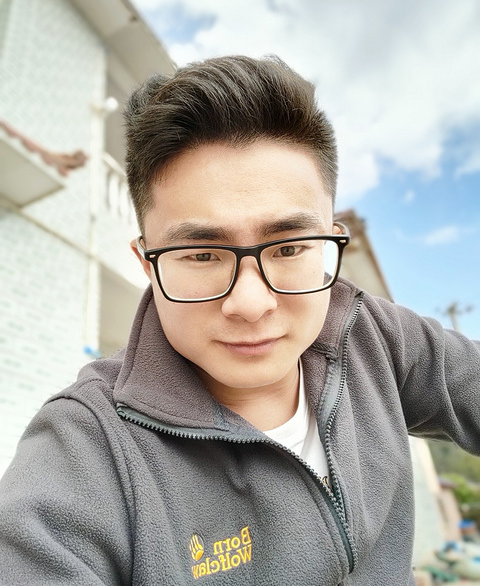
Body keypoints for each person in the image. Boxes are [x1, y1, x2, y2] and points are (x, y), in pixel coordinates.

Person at [0, 55, 479, 585]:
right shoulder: (86, 448)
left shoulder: (373, 336)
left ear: (329, 238)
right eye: (202, 254)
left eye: (290, 247)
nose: (251, 303)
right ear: (147, 263)